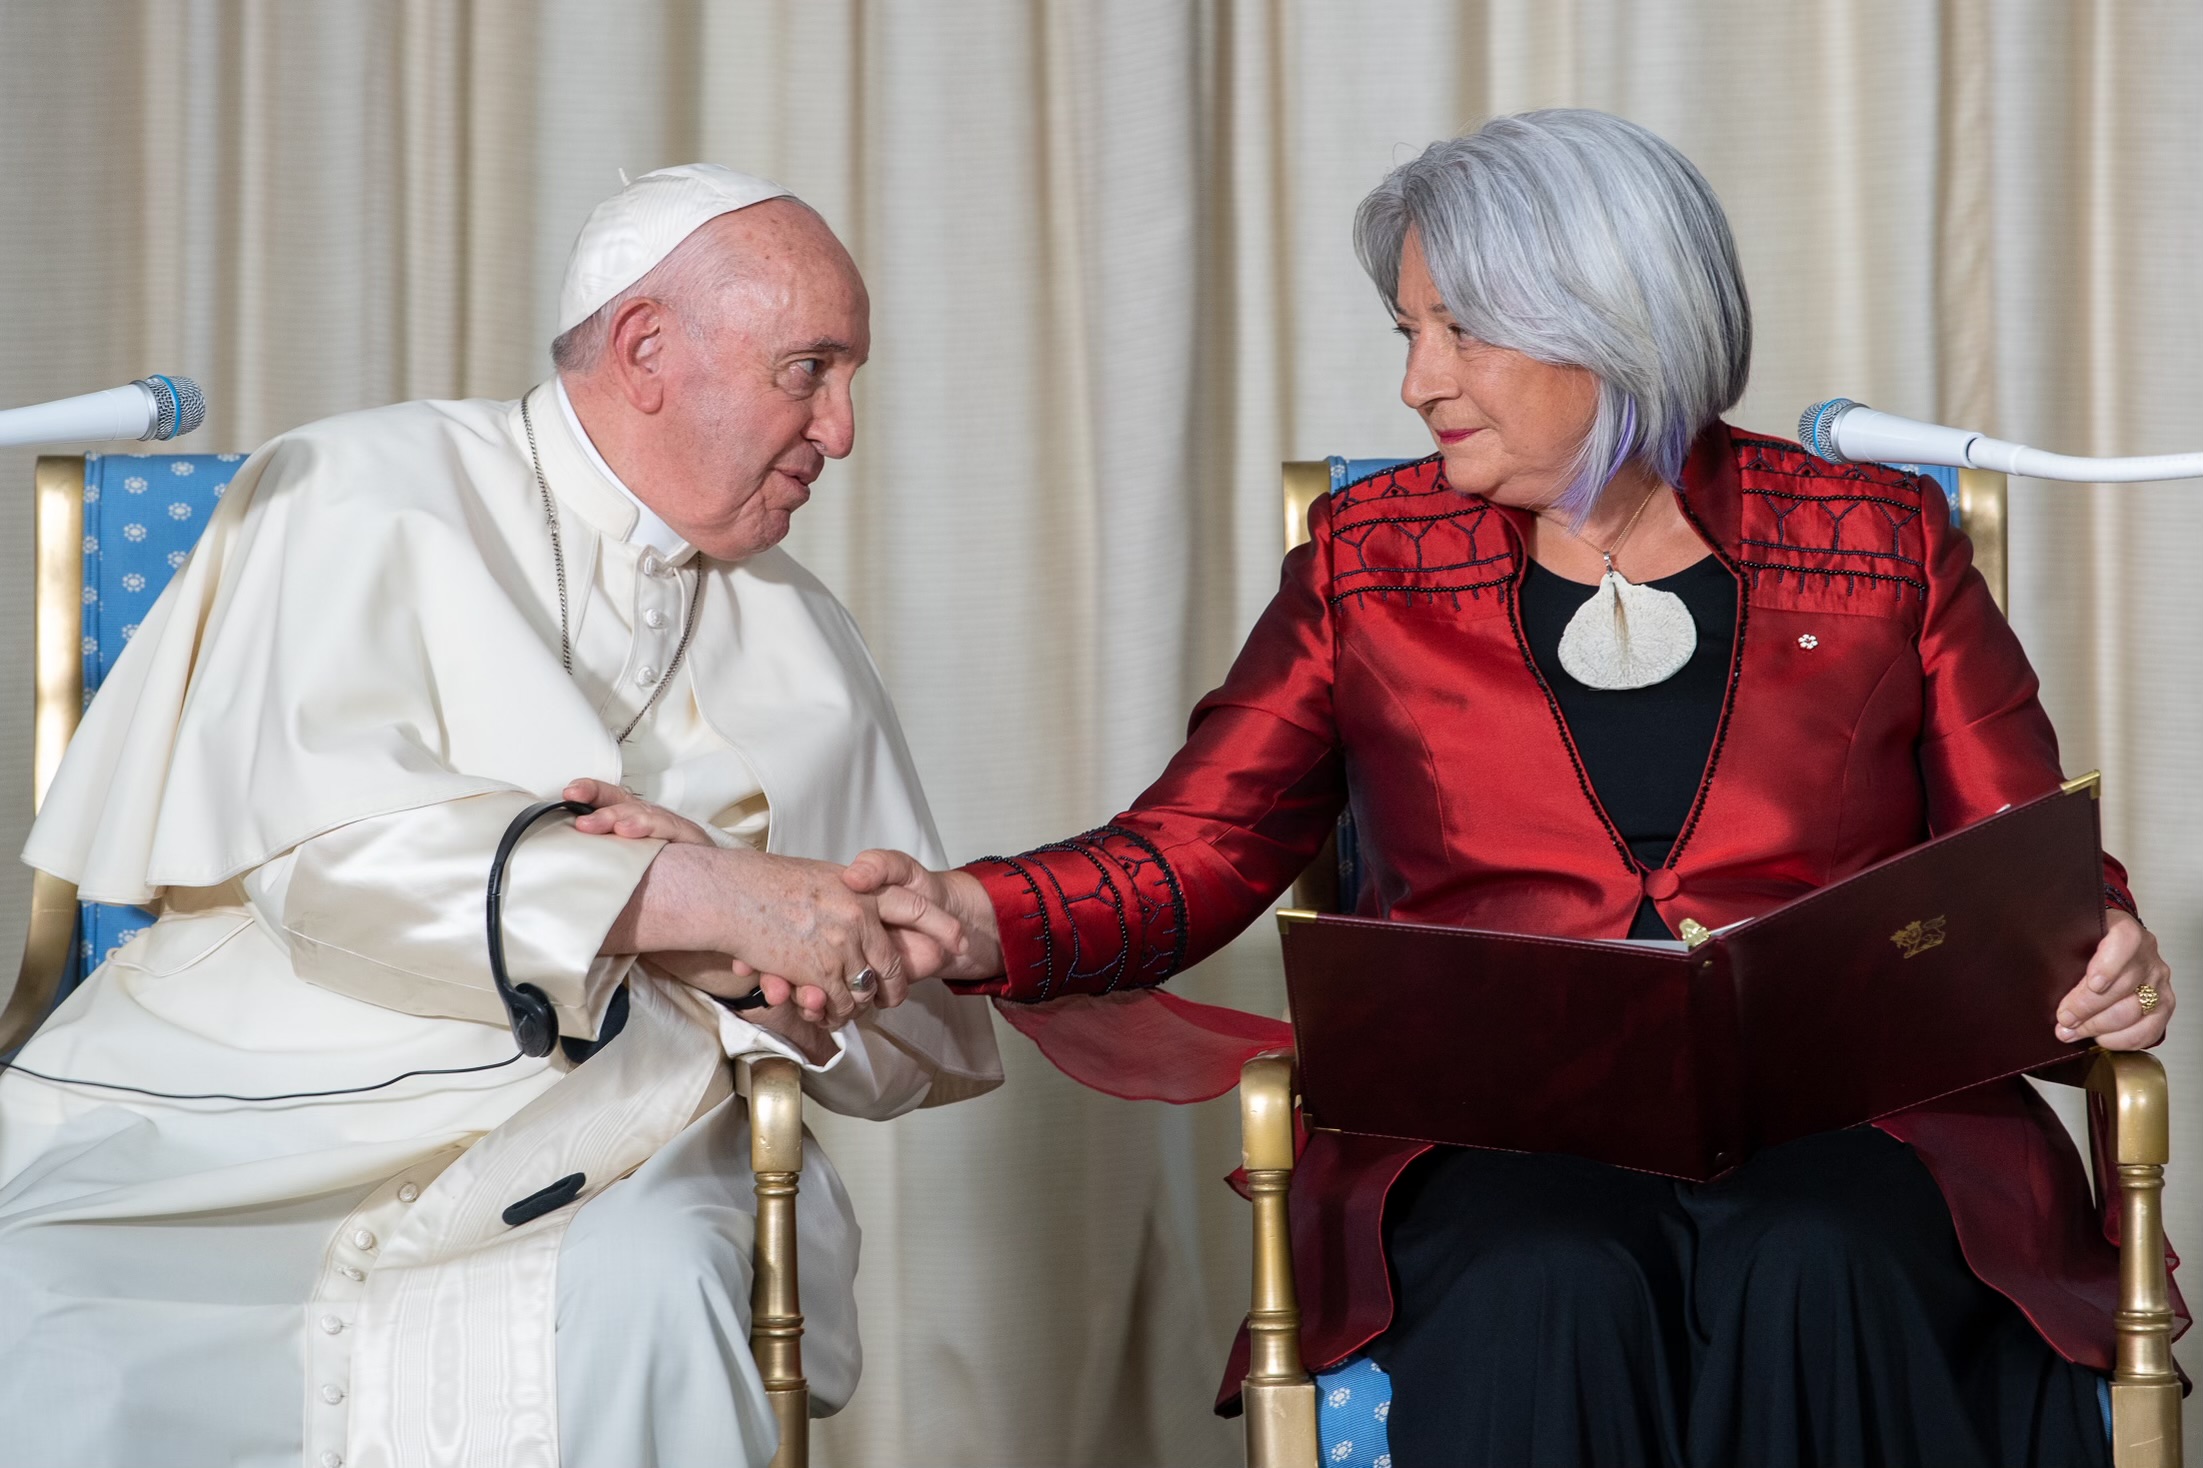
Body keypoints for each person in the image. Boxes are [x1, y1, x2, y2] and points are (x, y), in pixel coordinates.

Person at [813, 112, 2178, 1465]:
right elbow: (1195, 849)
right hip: (1491, 1128)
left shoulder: (1879, 540)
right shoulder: (1368, 561)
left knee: (1820, 1257)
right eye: (1410, 331)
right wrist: (976, 914)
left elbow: (2024, 860)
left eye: (1459, 331)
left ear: (1608, 322)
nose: (1418, 380)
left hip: (1856, 1114)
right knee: (1546, 1280)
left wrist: (2097, 952)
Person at [0, 164, 1001, 1468]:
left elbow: (921, 1032)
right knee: (47, 1314)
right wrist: (691, 900)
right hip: (259, 1116)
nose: (844, 428)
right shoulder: (360, 486)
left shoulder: (803, 637)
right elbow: (325, 867)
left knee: (656, 1300)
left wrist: (767, 978)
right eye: (809, 369)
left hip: (627, 1143)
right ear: (646, 348)